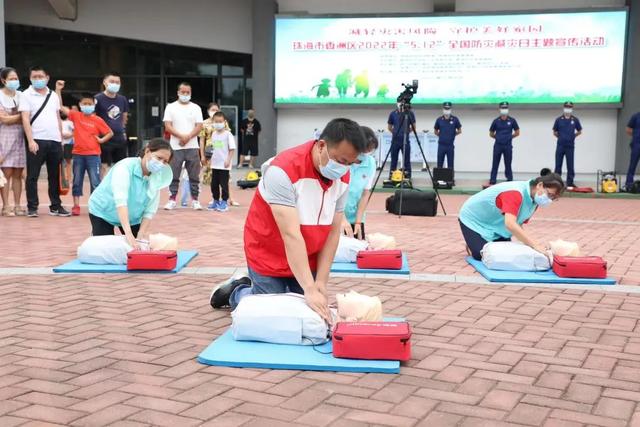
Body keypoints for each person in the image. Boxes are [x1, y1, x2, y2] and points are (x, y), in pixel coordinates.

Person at [209, 118, 367, 321]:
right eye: (341, 161)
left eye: (350, 163)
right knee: (271, 314)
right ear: (321, 146)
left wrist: (320, 282)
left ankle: (270, 290)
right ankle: (238, 291)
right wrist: (309, 288)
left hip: (306, 253)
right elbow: (290, 235)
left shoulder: (342, 177)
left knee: (304, 313)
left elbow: (333, 232)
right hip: (269, 249)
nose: (344, 168)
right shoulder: (282, 170)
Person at [459, 168, 565, 261]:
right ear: (540, 185)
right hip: (474, 220)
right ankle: (472, 245)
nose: (549, 200)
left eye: (553, 198)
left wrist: (531, 245)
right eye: (550, 194)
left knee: (505, 254)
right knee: (482, 254)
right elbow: (510, 224)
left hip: (495, 225)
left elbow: (518, 224)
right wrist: (535, 245)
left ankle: (481, 241)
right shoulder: (515, 193)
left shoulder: (534, 201)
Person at [88, 138, 173, 248]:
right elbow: (121, 201)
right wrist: (128, 234)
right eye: (159, 158)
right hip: (103, 211)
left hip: (132, 217)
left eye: (165, 161)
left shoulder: (157, 178)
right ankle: (96, 236)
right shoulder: (125, 167)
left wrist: (140, 236)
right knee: (105, 249)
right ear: (147, 152)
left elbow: (149, 212)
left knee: (135, 247)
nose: (161, 163)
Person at [56, 82, 114, 216]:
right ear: (80, 105)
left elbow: (110, 132)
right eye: (84, 104)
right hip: (78, 155)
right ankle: (76, 205)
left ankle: (95, 205)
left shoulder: (98, 120)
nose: (86, 106)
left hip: (94, 155)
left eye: (89, 104)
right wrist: (58, 90)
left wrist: (101, 140)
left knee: (95, 181)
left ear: (94, 105)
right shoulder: (76, 116)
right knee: (77, 181)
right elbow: (60, 107)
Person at [19, 65, 70, 217]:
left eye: (40, 77)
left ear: (47, 78)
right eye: (34, 77)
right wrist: (30, 140)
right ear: (30, 78)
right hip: (37, 140)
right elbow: (25, 118)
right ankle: (32, 207)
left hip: (54, 140)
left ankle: (56, 206)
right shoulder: (26, 95)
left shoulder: (53, 95)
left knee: (54, 175)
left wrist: (60, 139)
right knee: (32, 175)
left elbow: (57, 117)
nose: (38, 79)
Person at [163, 82, 203, 210]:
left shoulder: (196, 108)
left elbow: (199, 126)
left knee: (194, 175)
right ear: (178, 92)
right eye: (183, 92)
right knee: (174, 174)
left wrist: (188, 137)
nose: (185, 94)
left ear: (190, 93)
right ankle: (172, 199)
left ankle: (195, 200)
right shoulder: (171, 107)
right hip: (176, 146)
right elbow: (168, 126)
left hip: (192, 146)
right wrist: (181, 137)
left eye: (188, 92)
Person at [342, 126, 378, 240]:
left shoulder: (370, 163)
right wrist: (342, 219)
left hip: (355, 216)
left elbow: (364, 194)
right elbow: (333, 194)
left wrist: (358, 222)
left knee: (356, 247)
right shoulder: (342, 161)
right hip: (336, 215)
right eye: (365, 150)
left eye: (369, 151)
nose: (366, 153)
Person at [0, 67, 26, 217]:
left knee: (18, 173)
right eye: (11, 79)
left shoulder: (22, 95)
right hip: (4, 137)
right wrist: (22, 116)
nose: (14, 81)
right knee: (6, 173)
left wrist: (17, 117)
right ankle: (6, 206)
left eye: (16, 78)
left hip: (20, 138)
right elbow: (3, 119)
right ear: (4, 80)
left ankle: (17, 205)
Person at [95, 72, 129, 176]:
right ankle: (103, 190)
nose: (115, 84)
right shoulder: (98, 98)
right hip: (104, 138)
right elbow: (93, 118)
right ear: (105, 82)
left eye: (117, 82)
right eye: (112, 81)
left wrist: (123, 131)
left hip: (119, 138)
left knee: (121, 166)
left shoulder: (122, 99)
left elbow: (124, 117)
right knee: (104, 166)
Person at [204, 111, 236, 212]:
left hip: (224, 165)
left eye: (220, 121)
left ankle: (224, 202)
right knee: (214, 184)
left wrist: (228, 160)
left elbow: (232, 149)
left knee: (224, 184)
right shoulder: (213, 134)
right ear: (213, 122)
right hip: (215, 164)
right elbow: (214, 148)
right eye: (216, 121)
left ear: (224, 122)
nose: (218, 123)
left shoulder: (228, 134)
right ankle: (216, 200)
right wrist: (208, 157)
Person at [489, 101, 520, 185]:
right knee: (495, 163)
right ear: (499, 109)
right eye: (503, 108)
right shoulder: (496, 121)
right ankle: (492, 179)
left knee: (508, 163)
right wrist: (498, 138)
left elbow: (517, 132)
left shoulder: (512, 120)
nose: (504, 109)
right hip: (498, 145)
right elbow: (491, 133)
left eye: (506, 108)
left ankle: (509, 179)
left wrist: (509, 137)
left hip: (508, 145)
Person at [553, 101, 582, 189]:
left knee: (570, 165)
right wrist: (561, 137)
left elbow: (579, 131)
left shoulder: (575, 120)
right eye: (566, 107)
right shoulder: (558, 119)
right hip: (560, 145)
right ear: (563, 107)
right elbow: (555, 132)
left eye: (569, 107)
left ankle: (570, 183)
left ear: (572, 108)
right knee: (558, 165)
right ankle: (557, 183)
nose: (568, 109)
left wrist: (573, 136)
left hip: (570, 146)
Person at [387, 103, 416, 179]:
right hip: (395, 141)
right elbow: (389, 127)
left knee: (406, 159)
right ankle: (391, 175)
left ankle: (408, 175)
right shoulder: (393, 114)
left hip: (405, 140)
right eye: (399, 102)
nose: (400, 104)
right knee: (394, 159)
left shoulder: (410, 113)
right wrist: (396, 133)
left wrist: (406, 132)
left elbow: (413, 127)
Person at [434, 101, 462, 169]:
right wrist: (441, 135)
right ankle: (439, 178)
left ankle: (450, 178)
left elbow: (459, 130)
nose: (446, 110)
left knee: (450, 163)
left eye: (448, 109)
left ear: (450, 109)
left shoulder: (455, 119)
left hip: (450, 145)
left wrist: (452, 134)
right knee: (440, 163)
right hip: (441, 145)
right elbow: (435, 131)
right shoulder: (439, 119)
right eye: (445, 109)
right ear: (443, 109)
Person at [624, 111, 640, 191]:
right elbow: (628, 129)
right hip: (636, 144)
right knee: (632, 165)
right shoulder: (635, 116)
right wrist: (636, 134)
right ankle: (629, 185)